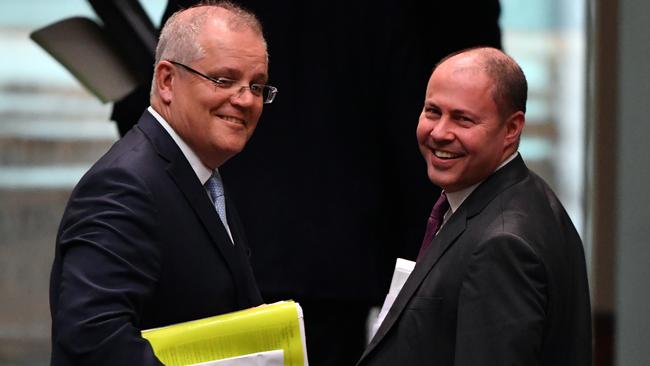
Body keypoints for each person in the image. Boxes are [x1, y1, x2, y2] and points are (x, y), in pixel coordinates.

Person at [107, 2, 503, 364]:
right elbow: (410, 134)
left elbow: (164, 101)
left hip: (229, 234)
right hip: (338, 251)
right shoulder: (385, 13)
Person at [49, 2, 276, 364]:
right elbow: (93, 340)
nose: (246, 100)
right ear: (168, 80)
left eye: (258, 86)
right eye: (224, 79)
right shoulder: (124, 185)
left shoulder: (201, 172)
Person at [357, 47, 592, 366]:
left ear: (511, 129)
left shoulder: (503, 245)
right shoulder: (521, 196)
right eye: (432, 111)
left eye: (462, 119)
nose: (439, 133)